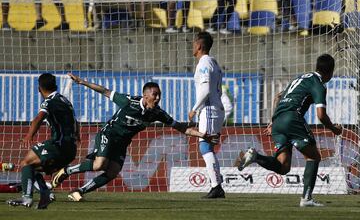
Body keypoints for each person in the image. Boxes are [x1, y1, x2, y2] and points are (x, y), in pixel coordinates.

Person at [51, 73, 216, 201]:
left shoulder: (157, 113)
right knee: (99, 164)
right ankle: (66, 170)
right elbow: (105, 91)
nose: (157, 98)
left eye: (159, 95)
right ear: (145, 96)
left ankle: (79, 191)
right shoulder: (129, 102)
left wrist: (202, 135)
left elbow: (180, 127)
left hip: (122, 143)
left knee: (113, 171)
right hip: (109, 134)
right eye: (155, 95)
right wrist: (82, 82)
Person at [238, 54, 342, 207]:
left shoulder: (300, 78)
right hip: (292, 119)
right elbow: (321, 115)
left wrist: (273, 122)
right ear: (331, 71)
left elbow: (278, 97)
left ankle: (255, 157)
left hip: (278, 120)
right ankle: (306, 199)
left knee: (283, 167)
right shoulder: (318, 84)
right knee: (313, 157)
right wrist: (334, 129)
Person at [7, 73, 79, 209]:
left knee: (25, 163)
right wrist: (77, 135)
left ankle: (27, 198)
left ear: (39, 88)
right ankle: (45, 194)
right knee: (32, 169)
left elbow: (39, 117)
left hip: (58, 146)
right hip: (71, 150)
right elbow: (75, 120)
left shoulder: (48, 102)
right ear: (55, 85)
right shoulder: (65, 100)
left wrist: (29, 135)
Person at [188, 32, 225, 198]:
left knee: (204, 146)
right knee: (207, 146)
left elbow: (205, 89)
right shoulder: (213, 62)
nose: (192, 46)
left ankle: (216, 186)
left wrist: (194, 108)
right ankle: (216, 184)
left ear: (199, 46)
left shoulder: (204, 62)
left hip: (209, 110)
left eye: (193, 43)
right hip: (215, 109)